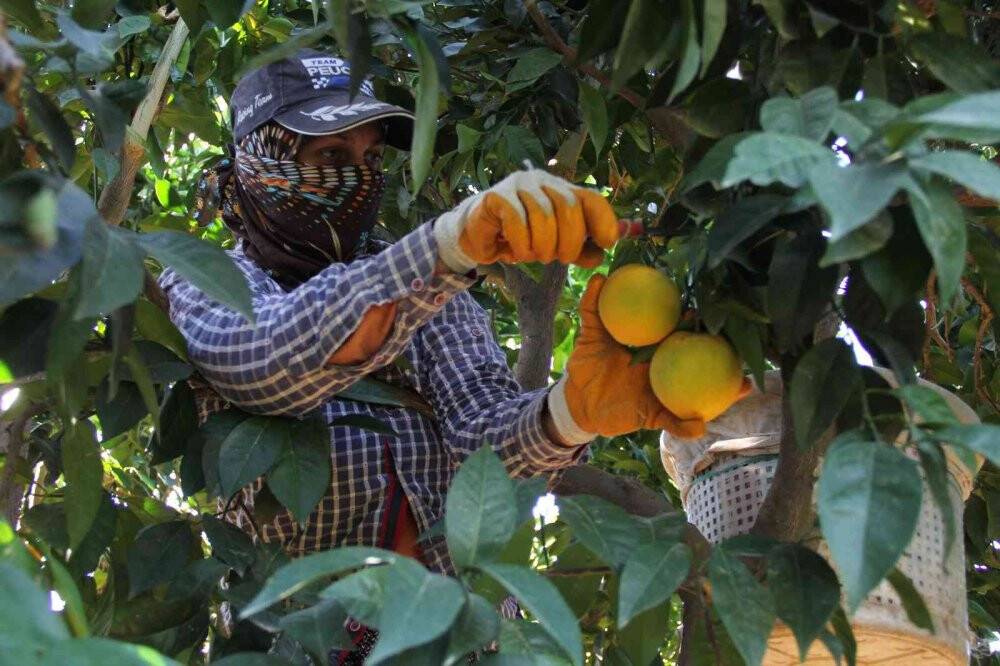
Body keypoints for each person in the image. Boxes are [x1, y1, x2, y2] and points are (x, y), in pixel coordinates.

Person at [159, 50, 708, 662]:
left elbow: (481, 445)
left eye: (369, 158)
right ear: (260, 161)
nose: (359, 178)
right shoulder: (206, 278)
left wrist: (569, 413)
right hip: (306, 648)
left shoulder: (430, 291)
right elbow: (263, 363)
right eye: (330, 157)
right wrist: (448, 245)